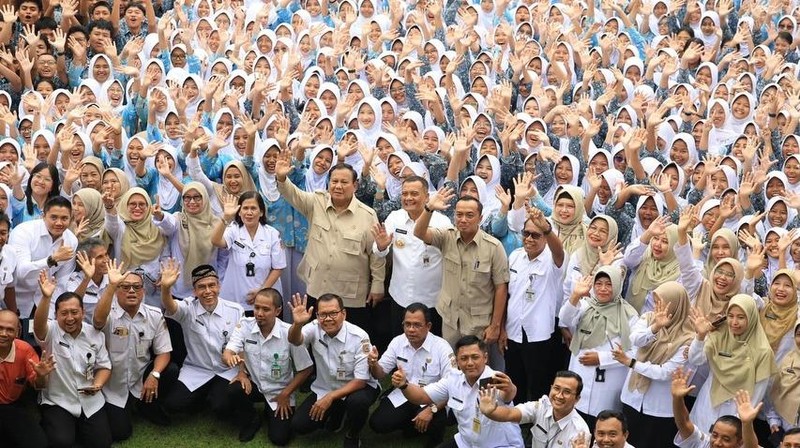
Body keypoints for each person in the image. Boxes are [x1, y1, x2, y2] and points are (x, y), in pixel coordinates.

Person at [275, 152, 385, 332]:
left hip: (350, 295)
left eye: (344, 182)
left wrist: (378, 284)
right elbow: (292, 194)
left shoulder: (367, 215)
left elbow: (376, 253)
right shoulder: (316, 202)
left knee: (350, 343)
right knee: (314, 339)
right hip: (318, 289)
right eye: (334, 181)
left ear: (355, 185)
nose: (338, 186)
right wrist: (281, 177)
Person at [414, 191, 509, 368]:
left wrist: (496, 326)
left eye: (469, 215)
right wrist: (429, 209)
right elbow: (419, 232)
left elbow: (501, 288)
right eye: (459, 214)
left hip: (479, 323)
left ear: (480, 218)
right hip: (451, 320)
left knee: (479, 369)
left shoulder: (494, 247)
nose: (463, 219)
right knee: (452, 368)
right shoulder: (446, 237)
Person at [92, 259, 176, 441]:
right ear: (116, 292)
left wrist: (154, 375)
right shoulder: (108, 314)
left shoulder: (153, 315)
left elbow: (164, 352)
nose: (132, 291)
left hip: (140, 379)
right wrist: (111, 285)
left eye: (137, 287)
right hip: (112, 386)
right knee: (121, 433)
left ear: (143, 292)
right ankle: (129, 407)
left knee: (170, 370)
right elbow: (98, 321)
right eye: (125, 287)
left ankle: (146, 405)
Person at [222, 288, 314, 444]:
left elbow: (306, 369)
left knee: (280, 439)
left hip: (280, 391)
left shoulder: (289, 333)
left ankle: (269, 410)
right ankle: (251, 420)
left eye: (265, 309)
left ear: (278, 311)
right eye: (257, 307)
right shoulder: (245, 325)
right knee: (234, 389)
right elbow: (229, 352)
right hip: (256, 385)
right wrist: (241, 371)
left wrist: (286, 394)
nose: (259, 313)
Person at [288, 293, 380, 448]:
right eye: (323, 314)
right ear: (317, 315)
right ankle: (338, 413)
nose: (328, 318)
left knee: (357, 403)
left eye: (333, 313)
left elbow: (360, 381)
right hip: (327, 387)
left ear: (343, 314)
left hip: (357, 388)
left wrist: (330, 397)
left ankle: (353, 433)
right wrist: (297, 324)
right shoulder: (315, 327)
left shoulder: (359, 336)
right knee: (299, 425)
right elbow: (295, 340)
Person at [33, 271, 113, 448]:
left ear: (83, 312)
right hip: (59, 400)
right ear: (56, 315)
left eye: (74, 312)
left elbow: (105, 366)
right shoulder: (51, 331)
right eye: (64, 313)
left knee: (102, 443)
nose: (70, 318)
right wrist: (46, 297)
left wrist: (98, 384)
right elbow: (38, 327)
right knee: (61, 442)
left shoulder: (94, 334)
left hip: (90, 401)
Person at [159, 260, 244, 419]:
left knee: (222, 406)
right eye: (201, 287)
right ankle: (204, 399)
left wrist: (242, 371)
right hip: (197, 370)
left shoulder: (235, 310)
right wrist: (166, 287)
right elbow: (170, 306)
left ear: (219, 286)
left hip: (226, 370)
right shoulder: (187, 309)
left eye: (212, 285)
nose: (208, 291)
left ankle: (216, 398)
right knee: (173, 404)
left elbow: (244, 345)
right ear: (194, 292)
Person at [614, 281, 693, 448]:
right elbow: (635, 339)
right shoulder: (649, 318)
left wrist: (632, 363)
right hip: (632, 399)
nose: (657, 306)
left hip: (659, 409)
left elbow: (666, 373)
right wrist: (655, 327)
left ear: (675, 304)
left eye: (662, 302)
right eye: (656, 300)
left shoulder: (687, 337)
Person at [559, 266, 639, 430]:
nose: (603, 289)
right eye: (599, 283)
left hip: (607, 385)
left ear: (617, 285)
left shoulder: (629, 315)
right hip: (580, 379)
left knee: (603, 430)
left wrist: (601, 359)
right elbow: (565, 319)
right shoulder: (585, 305)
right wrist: (575, 295)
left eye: (609, 284)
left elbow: (634, 353)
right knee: (575, 429)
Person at [372, 176, 452, 336]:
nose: (408, 198)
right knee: (400, 346)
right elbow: (379, 251)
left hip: (432, 301)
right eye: (404, 193)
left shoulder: (443, 222)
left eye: (414, 193)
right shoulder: (395, 217)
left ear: (427, 197)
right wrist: (381, 245)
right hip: (399, 297)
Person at [367, 303, 455, 447]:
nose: (411, 330)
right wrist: (373, 364)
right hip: (404, 394)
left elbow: (452, 386)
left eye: (417, 325)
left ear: (428, 326)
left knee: (436, 421)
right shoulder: (397, 342)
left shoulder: (442, 347)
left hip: (432, 399)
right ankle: (412, 427)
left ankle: (434, 437)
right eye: (407, 324)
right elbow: (379, 375)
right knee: (378, 423)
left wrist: (430, 410)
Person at [687, 295, 776, 434]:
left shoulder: (762, 351)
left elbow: (758, 391)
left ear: (751, 317)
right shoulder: (719, 336)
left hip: (736, 409)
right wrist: (700, 336)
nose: (734, 322)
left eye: (741, 317)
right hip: (709, 402)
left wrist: (739, 420)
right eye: (731, 316)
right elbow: (695, 359)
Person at [505, 205, 565, 403]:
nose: (529, 239)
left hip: (538, 334)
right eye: (526, 234)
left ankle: (538, 426)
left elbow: (559, 250)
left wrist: (546, 228)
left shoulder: (552, 260)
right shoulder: (515, 257)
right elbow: (507, 295)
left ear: (545, 238)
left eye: (536, 235)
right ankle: (516, 420)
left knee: (539, 384)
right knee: (515, 380)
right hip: (513, 331)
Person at [211, 191, 286, 313]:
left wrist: (262, 291)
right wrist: (225, 218)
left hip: (266, 299)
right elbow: (215, 241)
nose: (249, 212)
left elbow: (278, 267)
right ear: (239, 212)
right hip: (236, 299)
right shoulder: (233, 230)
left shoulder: (272, 233)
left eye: (253, 208)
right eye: (245, 208)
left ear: (261, 212)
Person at [478, 370, 590, 448]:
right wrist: (490, 412)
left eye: (567, 392)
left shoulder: (580, 431)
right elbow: (510, 414)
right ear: (551, 388)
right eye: (556, 389)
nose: (559, 396)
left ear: (577, 399)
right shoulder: (541, 407)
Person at [9, 196, 77, 319]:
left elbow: (63, 280)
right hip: (15, 301)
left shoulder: (71, 241)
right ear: (43, 215)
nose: (59, 223)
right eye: (54, 217)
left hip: (46, 302)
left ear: (71, 219)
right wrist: (52, 260)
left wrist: (53, 310)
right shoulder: (23, 232)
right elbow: (20, 271)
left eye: (64, 218)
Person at [0, 309, 54, 448]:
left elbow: (39, 385)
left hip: (14, 405)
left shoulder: (24, 350)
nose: (3, 334)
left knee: (38, 444)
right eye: (0, 328)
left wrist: (42, 376)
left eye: (10, 330)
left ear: (17, 333)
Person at [671, 367, 761, 448]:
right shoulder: (703, 443)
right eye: (714, 435)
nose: (717, 443)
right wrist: (677, 399)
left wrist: (747, 423)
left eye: (726, 439)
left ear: (740, 443)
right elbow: (684, 422)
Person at [64, 238, 110, 321]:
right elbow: (72, 304)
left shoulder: (112, 277)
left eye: (106, 254)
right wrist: (87, 278)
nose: (106, 260)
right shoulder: (74, 280)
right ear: (86, 260)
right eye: (100, 257)